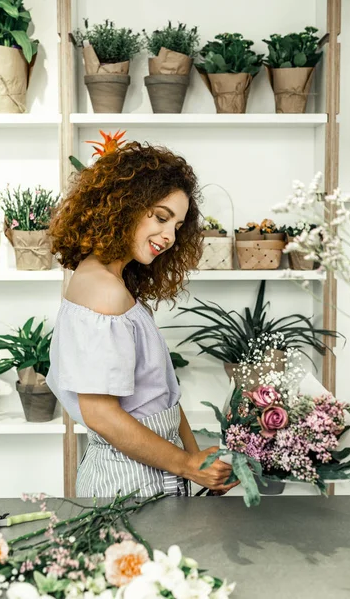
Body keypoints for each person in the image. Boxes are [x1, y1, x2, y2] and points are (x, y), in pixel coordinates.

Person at [46, 140, 239, 498]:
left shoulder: (112, 280)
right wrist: (186, 464)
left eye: (178, 227)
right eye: (161, 217)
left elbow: (162, 396)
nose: (169, 237)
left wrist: (194, 460)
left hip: (150, 468)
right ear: (125, 206)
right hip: (128, 481)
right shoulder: (104, 291)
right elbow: (101, 414)